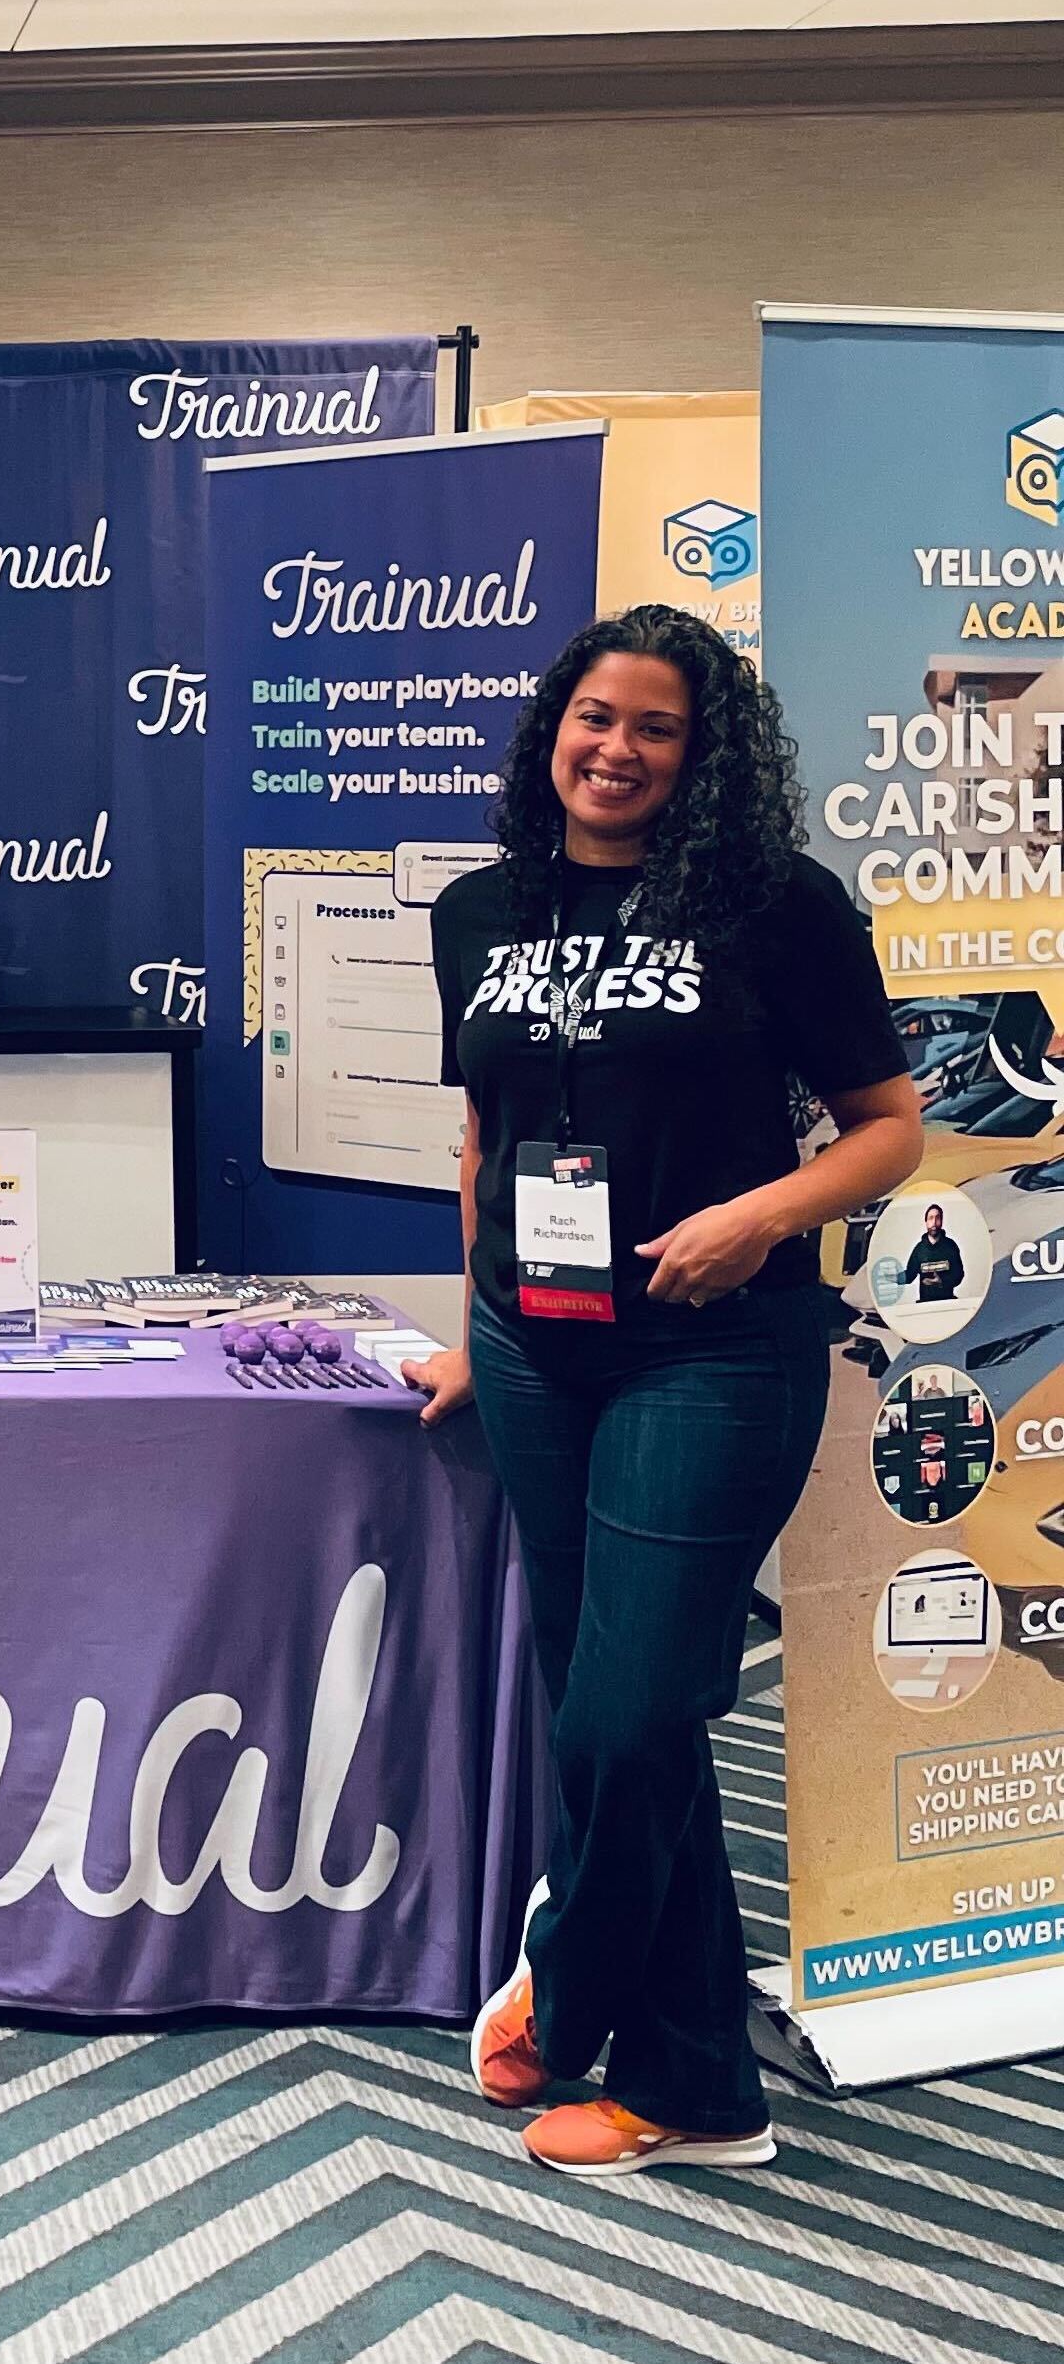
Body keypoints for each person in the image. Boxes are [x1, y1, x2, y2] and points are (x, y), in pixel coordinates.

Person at [406, 605, 922, 2177]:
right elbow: (486, 1140)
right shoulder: (482, 908)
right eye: (594, 717)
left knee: (637, 1711)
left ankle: (573, 1992)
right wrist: (470, 1325)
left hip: (715, 1346)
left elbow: (888, 1125)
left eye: (657, 727)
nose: (616, 749)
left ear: (703, 756)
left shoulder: (776, 907)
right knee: (606, 1711)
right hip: (535, 1346)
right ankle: (697, 2086)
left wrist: (761, 1214)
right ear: (552, 727)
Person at [900, 1203, 966, 1307]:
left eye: (937, 1218)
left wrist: (941, 1282)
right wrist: (890, 1278)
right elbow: (909, 1276)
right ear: (926, 1222)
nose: (934, 1222)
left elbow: (959, 1275)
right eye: (930, 1218)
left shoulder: (951, 1246)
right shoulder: (919, 1249)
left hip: (948, 1304)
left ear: (942, 1221)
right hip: (926, 1306)